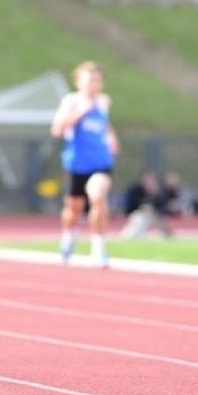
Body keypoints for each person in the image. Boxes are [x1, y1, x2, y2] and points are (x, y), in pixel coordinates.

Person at [50, 61, 119, 267]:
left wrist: (112, 138)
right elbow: (57, 130)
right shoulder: (71, 101)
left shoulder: (104, 102)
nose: (94, 84)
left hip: (100, 161)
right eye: (89, 80)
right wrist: (80, 113)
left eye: (97, 80)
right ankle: (68, 237)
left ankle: (98, 249)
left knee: (98, 196)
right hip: (77, 164)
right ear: (79, 82)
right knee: (73, 209)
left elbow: (104, 124)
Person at [120, 170, 175, 240]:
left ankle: (167, 234)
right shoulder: (136, 190)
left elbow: (161, 207)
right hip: (137, 215)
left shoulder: (157, 192)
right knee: (139, 220)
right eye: (147, 180)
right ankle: (127, 236)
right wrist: (142, 207)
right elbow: (130, 205)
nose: (149, 182)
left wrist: (154, 196)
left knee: (154, 216)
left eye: (151, 180)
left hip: (152, 215)